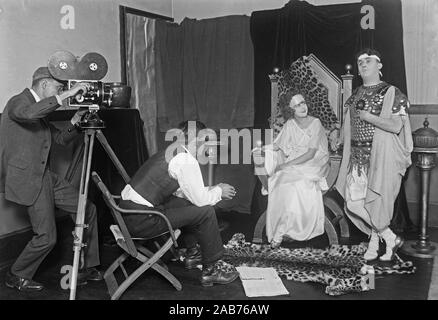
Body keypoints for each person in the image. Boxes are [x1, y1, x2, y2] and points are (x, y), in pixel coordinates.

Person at [0, 66, 103, 292]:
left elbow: (59, 140)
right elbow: (27, 114)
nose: (62, 91)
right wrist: (66, 95)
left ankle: (86, 266)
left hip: (45, 175)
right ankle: (16, 274)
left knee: (88, 209)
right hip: (29, 178)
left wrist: (75, 120)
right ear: (44, 84)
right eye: (58, 87)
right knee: (47, 237)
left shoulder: (40, 111)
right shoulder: (18, 102)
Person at [118, 120, 239, 287]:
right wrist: (219, 192)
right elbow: (201, 201)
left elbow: (183, 191)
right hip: (142, 220)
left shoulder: (171, 152)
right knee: (206, 211)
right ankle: (212, 269)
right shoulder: (187, 160)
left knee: (185, 202)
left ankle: (193, 253)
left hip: (127, 215)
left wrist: (212, 188)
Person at [333, 48, 413, 261]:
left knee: (375, 203)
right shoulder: (355, 94)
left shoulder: (392, 92)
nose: (363, 65)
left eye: (368, 61)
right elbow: (348, 124)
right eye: (360, 63)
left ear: (379, 65)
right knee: (353, 203)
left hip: (381, 158)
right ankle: (388, 236)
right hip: (357, 159)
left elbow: (396, 126)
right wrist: (338, 136)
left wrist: (370, 117)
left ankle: (375, 243)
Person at [253, 91, 330, 249]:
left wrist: (285, 165)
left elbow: (310, 154)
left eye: (302, 103)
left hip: (314, 162)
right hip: (295, 163)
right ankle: (283, 228)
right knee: (280, 182)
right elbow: (277, 145)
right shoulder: (289, 124)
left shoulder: (316, 123)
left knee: (296, 184)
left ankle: (282, 231)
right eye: (296, 105)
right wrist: (260, 149)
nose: (302, 107)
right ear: (290, 110)